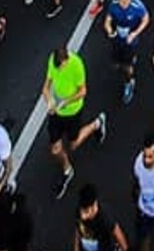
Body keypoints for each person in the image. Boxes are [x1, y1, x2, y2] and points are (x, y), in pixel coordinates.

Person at [43, 44, 108, 195]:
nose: (58, 70)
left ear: (66, 60)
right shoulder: (53, 61)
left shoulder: (77, 65)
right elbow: (46, 87)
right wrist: (49, 101)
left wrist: (66, 101)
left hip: (73, 112)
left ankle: (97, 124)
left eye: (61, 67)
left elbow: (83, 91)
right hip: (56, 113)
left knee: (73, 144)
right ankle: (67, 170)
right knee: (55, 149)